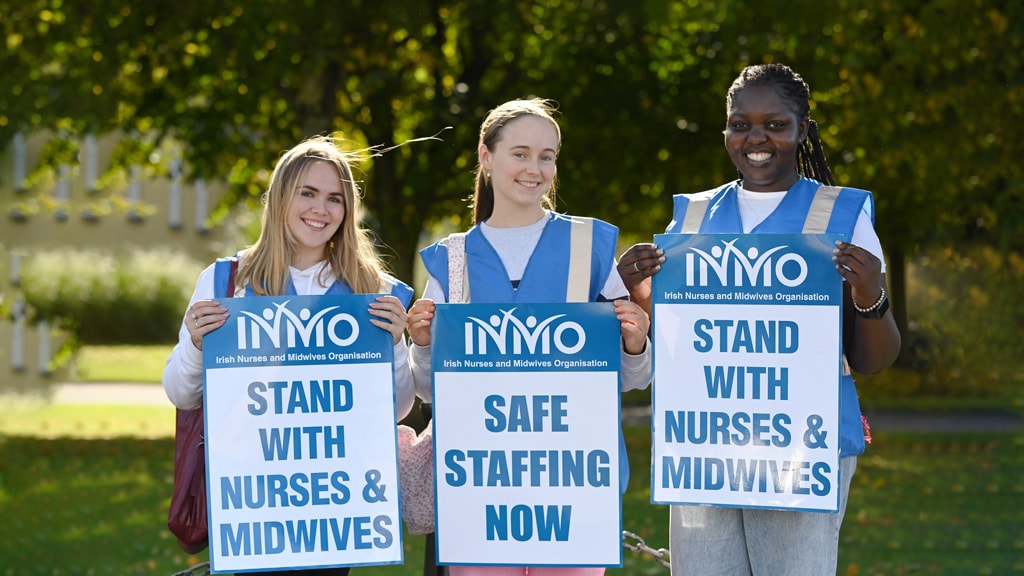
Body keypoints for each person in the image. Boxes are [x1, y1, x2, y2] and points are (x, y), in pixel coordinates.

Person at [619, 63, 901, 575]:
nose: (757, 138)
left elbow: (873, 359)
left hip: (802, 450)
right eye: (741, 123)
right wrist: (640, 294)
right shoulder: (692, 217)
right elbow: (681, 346)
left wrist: (869, 293)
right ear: (726, 129)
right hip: (703, 446)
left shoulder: (841, 215)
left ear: (802, 131)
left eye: (776, 124)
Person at [406, 98, 653, 576]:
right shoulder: (451, 260)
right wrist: (423, 344)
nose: (535, 168)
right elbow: (430, 389)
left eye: (547, 156)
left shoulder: (590, 247)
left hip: (574, 487)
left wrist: (635, 342)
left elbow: (631, 380)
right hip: (479, 494)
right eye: (520, 153)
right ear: (485, 156)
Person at [162, 136, 415, 576]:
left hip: (337, 502)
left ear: (348, 210)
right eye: (308, 193)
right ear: (281, 197)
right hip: (250, 497)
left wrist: (394, 345)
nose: (321, 209)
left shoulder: (373, 290)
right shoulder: (228, 281)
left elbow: (396, 409)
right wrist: (195, 346)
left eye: (335, 198)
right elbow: (181, 394)